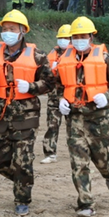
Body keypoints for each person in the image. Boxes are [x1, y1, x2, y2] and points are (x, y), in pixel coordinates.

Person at [0, 10, 55, 216]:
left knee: (23, 161)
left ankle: (22, 198)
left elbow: (50, 82)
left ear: (22, 31)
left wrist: (30, 86)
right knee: (0, 162)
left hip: (26, 115)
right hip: (3, 114)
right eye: (4, 29)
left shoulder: (37, 55)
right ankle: (24, 180)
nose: (7, 33)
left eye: (11, 29)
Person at [56, 16, 109, 217]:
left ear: (91, 37)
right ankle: (85, 203)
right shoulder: (64, 60)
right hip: (75, 120)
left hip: (98, 119)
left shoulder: (105, 59)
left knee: (102, 159)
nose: (79, 40)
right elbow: (59, 85)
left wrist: (107, 96)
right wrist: (61, 99)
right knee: (79, 163)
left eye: (83, 36)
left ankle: (108, 172)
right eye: (75, 36)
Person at [40, 24, 72, 164]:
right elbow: (44, 76)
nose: (63, 40)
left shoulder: (77, 55)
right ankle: (50, 153)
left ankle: (76, 152)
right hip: (54, 97)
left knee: (74, 127)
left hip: (71, 97)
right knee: (52, 125)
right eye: (61, 38)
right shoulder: (51, 55)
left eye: (66, 38)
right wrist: (50, 71)